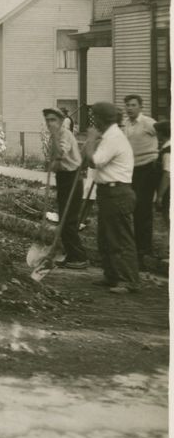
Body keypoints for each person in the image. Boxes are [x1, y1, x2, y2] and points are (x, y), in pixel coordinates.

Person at [82, 101, 139, 294]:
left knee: (120, 239)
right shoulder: (108, 136)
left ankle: (128, 281)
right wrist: (93, 142)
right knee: (106, 238)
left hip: (118, 193)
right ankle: (112, 275)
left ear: (101, 118)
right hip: (108, 193)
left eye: (94, 117)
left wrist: (90, 139)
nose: (93, 121)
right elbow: (90, 162)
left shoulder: (114, 137)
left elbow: (95, 161)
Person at [43, 107, 87, 268]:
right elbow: (54, 160)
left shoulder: (65, 134)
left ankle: (79, 257)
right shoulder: (54, 136)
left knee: (68, 220)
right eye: (47, 120)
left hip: (73, 178)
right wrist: (52, 165)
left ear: (61, 121)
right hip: (63, 178)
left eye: (53, 120)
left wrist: (54, 160)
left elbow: (61, 152)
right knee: (63, 218)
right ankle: (71, 254)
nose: (49, 123)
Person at [121, 94, 158, 264]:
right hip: (132, 170)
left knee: (143, 208)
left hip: (147, 169)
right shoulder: (126, 124)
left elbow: (166, 135)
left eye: (133, 105)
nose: (129, 108)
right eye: (127, 105)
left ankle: (144, 250)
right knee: (133, 208)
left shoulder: (148, 123)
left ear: (140, 107)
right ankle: (135, 248)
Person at [155, 120, 170, 225]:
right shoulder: (165, 148)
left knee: (168, 218)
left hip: (169, 192)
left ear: (161, 133)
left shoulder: (168, 151)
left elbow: (167, 175)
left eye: (157, 132)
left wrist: (160, 196)